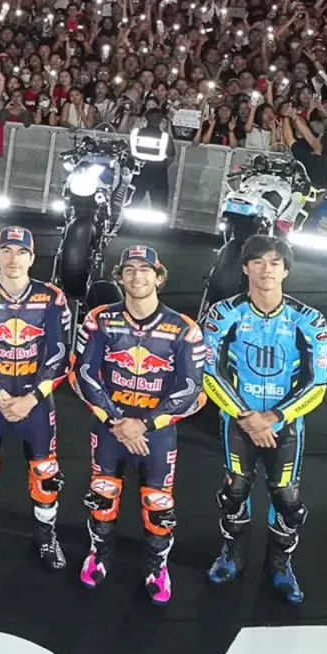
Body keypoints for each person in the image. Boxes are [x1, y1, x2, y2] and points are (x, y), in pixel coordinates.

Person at [197, 235, 327, 603]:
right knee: (234, 492)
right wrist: (247, 418)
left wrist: (272, 418)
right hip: (238, 421)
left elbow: (318, 384)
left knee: (287, 499)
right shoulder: (223, 314)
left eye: (275, 263)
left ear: (286, 270)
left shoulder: (310, 320)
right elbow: (209, 373)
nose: (266, 270)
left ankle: (279, 565)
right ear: (245, 268)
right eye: (258, 262)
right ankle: (232, 555)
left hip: (286, 425)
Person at [71, 245, 207, 603]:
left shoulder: (184, 329)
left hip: (156, 433)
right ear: (120, 277)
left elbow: (191, 389)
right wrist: (117, 421)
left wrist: (143, 425)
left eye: (145, 270)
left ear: (159, 277)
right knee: (102, 496)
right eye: (129, 270)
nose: (136, 276)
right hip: (109, 428)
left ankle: (157, 568)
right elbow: (84, 373)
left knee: (158, 505)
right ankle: (98, 556)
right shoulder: (99, 319)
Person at [0, 226, 75, 568]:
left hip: (36, 401)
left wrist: (31, 398)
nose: (13, 258)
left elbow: (60, 354)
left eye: (21, 252)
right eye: (6, 251)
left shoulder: (52, 297)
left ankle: (46, 534)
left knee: (46, 472)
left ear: (32, 258)